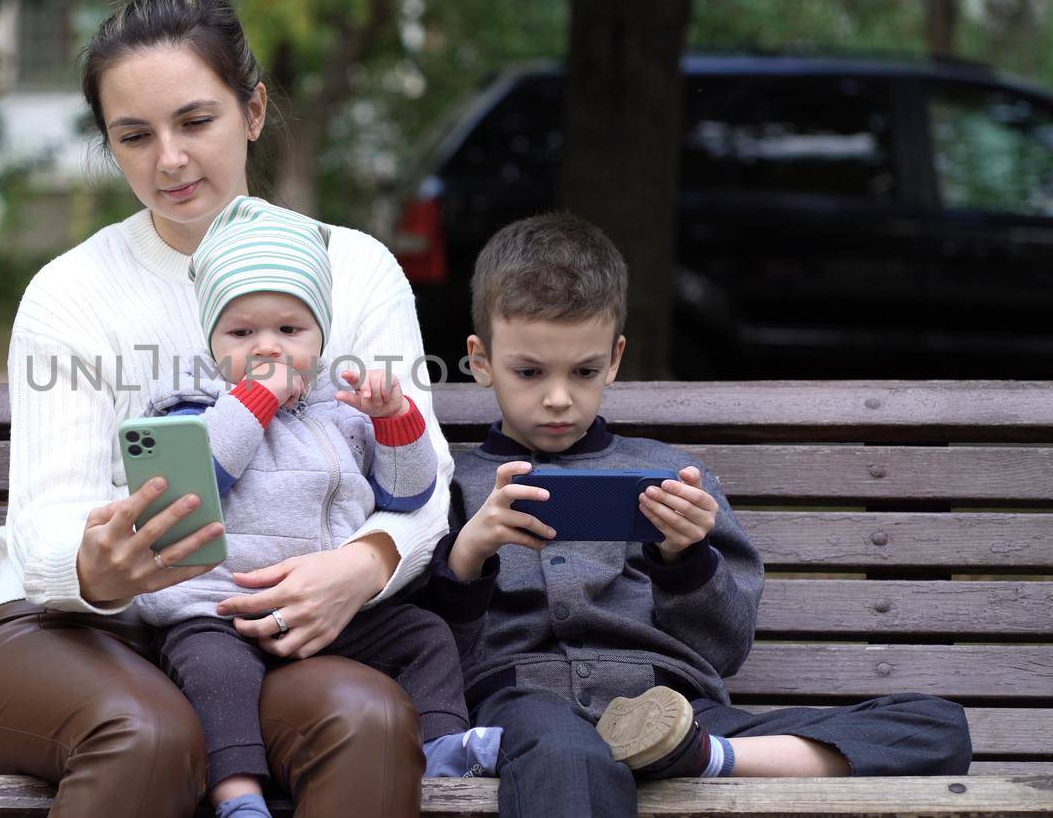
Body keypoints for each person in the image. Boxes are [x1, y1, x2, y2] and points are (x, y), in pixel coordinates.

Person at [0, 0, 455, 818]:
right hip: (74, 633)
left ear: (253, 111)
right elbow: (44, 513)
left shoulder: (353, 269)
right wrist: (90, 564)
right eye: (134, 136)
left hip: (255, 631)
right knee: (151, 735)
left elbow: (422, 473)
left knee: (365, 717)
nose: (169, 160)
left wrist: (361, 567)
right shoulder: (71, 291)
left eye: (195, 121)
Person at [417, 212, 973, 817]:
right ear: (480, 360)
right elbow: (431, 661)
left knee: (936, 726)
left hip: (675, 707)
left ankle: (701, 757)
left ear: (615, 359)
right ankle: (669, 755)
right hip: (526, 704)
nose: (557, 397)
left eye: (583, 371)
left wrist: (686, 559)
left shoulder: (673, 475)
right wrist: (469, 556)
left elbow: (724, 649)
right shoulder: (449, 484)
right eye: (529, 372)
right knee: (567, 752)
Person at [133, 197, 503, 818]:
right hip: (221, 608)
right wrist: (256, 399)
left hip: (330, 611)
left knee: (424, 635)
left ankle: (439, 744)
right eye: (242, 333)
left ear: (322, 336)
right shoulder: (191, 410)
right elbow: (199, 479)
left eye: (289, 331)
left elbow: (406, 494)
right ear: (213, 340)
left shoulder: (341, 412)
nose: (267, 348)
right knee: (216, 676)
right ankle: (237, 793)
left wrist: (395, 421)